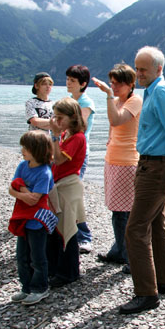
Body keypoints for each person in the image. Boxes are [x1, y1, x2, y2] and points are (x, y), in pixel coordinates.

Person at [118, 46, 165, 315]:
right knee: (157, 223)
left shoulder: (161, 90)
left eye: (143, 69)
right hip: (152, 165)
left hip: (157, 168)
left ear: (159, 69)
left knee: (135, 230)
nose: (138, 73)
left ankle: (146, 293)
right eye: (137, 68)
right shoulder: (150, 91)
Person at [92, 64, 142, 265]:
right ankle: (120, 250)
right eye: (112, 83)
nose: (114, 87)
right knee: (117, 211)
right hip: (113, 159)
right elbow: (113, 128)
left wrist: (106, 95)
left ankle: (129, 256)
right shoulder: (117, 100)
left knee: (125, 212)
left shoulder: (135, 100)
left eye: (118, 83)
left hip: (127, 161)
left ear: (131, 84)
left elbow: (116, 120)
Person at [8, 130, 57, 305]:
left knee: (37, 256)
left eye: (26, 147)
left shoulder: (44, 172)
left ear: (36, 150)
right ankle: (26, 287)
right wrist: (23, 192)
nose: (22, 150)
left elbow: (34, 200)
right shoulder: (23, 165)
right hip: (23, 217)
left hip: (37, 220)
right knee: (22, 256)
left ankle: (40, 288)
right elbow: (11, 188)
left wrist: (20, 190)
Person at [47, 97, 87, 288]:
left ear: (72, 118)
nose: (57, 121)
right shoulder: (67, 135)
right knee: (58, 229)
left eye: (60, 117)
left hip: (68, 186)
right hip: (61, 184)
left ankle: (68, 272)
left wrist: (54, 135)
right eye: (55, 117)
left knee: (67, 230)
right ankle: (57, 268)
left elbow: (60, 159)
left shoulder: (77, 137)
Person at [66, 65, 94, 254]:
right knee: (65, 194)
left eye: (72, 80)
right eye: (68, 79)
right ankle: (68, 233)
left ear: (83, 84)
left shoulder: (86, 102)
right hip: (65, 150)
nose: (68, 82)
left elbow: (79, 126)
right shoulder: (69, 100)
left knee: (73, 195)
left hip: (79, 153)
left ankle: (84, 237)